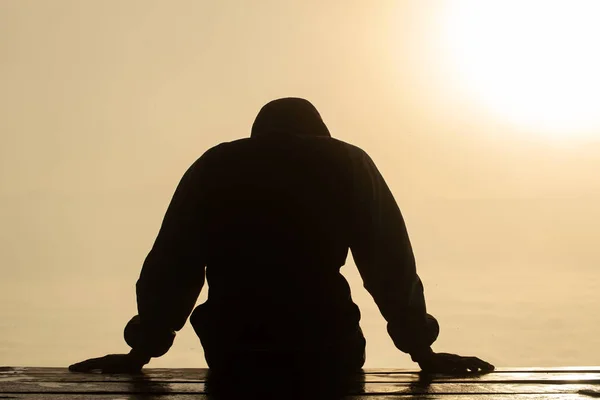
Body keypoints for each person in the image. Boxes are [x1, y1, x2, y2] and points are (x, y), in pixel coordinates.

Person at [69, 98, 494, 375]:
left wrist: (141, 351)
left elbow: (172, 265)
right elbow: (389, 263)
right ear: (320, 133)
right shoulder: (347, 162)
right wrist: (422, 351)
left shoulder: (215, 165)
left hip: (233, 352)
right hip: (327, 349)